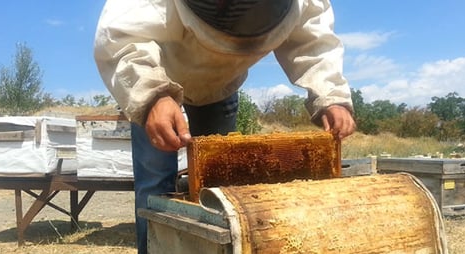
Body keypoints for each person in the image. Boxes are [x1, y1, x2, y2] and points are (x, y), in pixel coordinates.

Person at [94, 0, 356, 252]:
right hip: (159, 82)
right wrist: (151, 96)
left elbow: (314, 40)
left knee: (219, 189)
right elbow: (121, 38)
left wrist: (332, 97)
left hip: (220, 91)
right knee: (155, 187)